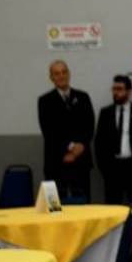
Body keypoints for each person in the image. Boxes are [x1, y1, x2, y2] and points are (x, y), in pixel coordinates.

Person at [38, 60, 95, 201]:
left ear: (69, 74)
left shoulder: (83, 97)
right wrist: (69, 149)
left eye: (64, 72)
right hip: (56, 161)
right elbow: (49, 131)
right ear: (51, 77)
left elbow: (89, 125)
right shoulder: (44, 101)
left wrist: (80, 146)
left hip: (81, 160)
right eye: (57, 73)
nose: (61, 76)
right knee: (54, 206)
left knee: (84, 205)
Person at [94, 74, 132, 205]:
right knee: (113, 206)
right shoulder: (105, 113)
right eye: (114, 89)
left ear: (128, 92)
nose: (116, 93)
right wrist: (105, 168)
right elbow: (99, 143)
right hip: (113, 168)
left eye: (119, 89)